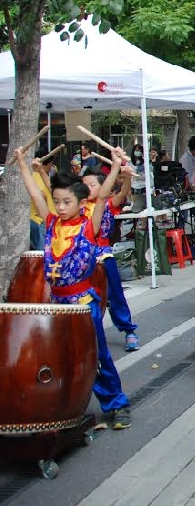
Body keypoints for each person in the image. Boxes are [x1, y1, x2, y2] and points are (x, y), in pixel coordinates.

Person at [13, 147, 133, 429]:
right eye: (58, 201)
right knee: (58, 356)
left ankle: (116, 404)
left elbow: (103, 196)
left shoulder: (88, 226)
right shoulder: (53, 222)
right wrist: (21, 163)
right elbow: (35, 194)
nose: (61, 206)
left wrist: (115, 166)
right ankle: (64, 406)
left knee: (97, 354)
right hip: (57, 304)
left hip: (82, 304)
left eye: (67, 202)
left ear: (81, 203)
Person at [81, 166, 141, 352]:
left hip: (104, 254)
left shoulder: (107, 204)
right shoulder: (78, 206)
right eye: (84, 185)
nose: (87, 188)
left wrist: (128, 178)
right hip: (83, 256)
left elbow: (123, 192)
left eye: (92, 185)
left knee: (115, 293)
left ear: (103, 187)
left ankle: (129, 330)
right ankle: (85, 333)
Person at [29, 150, 56, 250]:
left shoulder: (39, 175)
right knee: (43, 253)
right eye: (51, 165)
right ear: (48, 164)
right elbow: (41, 195)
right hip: (40, 220)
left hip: (44, 220)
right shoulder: (36, 175)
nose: (52, 167)